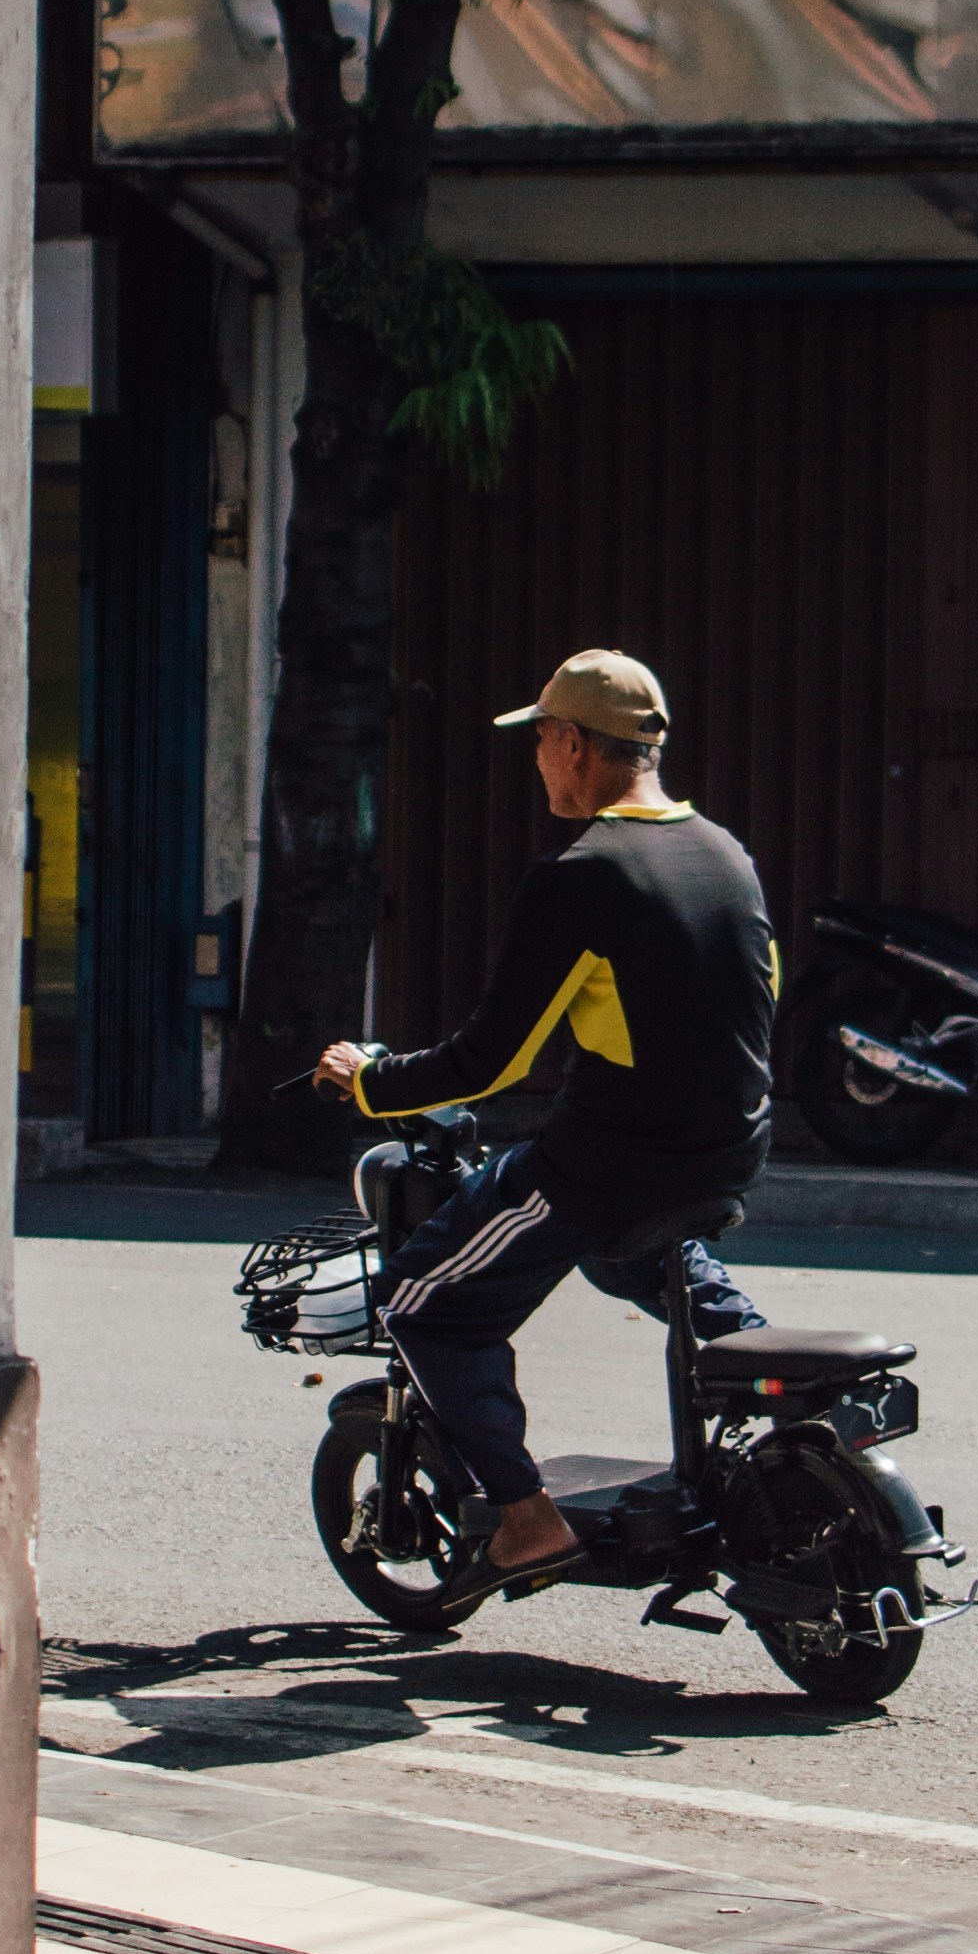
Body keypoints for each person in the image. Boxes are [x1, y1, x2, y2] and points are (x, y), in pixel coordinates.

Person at [314, 647, 775, 1577]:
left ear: (569, 744)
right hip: (728, 1149)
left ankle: (527, 1520)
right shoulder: (724, 853)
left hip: (609, 1163)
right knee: (628, 1255)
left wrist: (369, 1080)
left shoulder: (582, 875)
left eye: (539, 743)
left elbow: (491, 1061)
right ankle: (771, 1369)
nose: (536, 762)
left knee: (418, 1301)